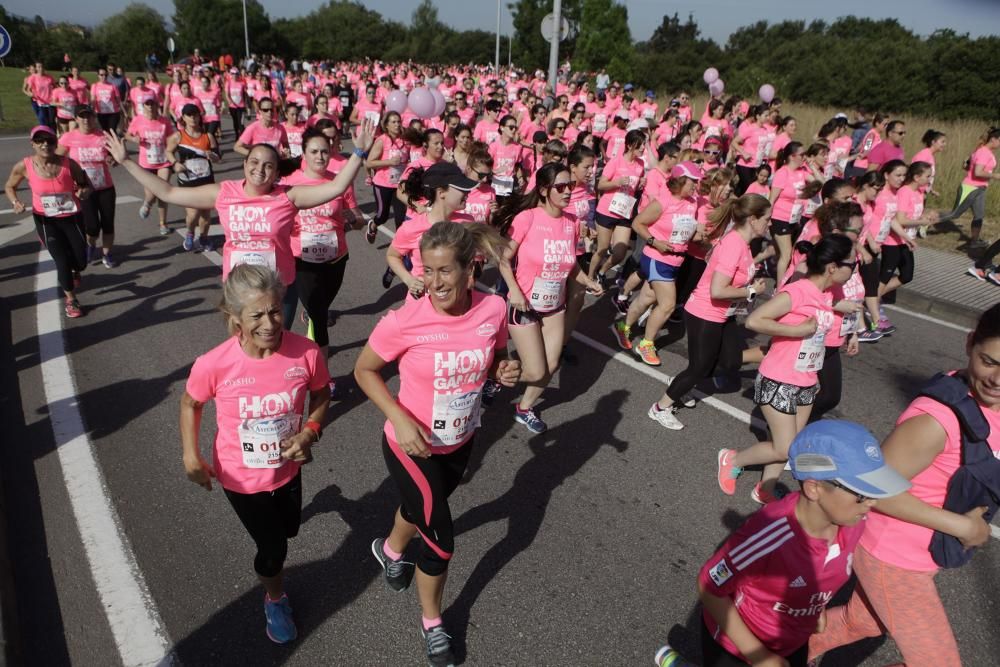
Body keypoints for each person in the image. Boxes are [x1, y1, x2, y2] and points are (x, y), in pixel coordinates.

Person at [354, 221, 520, 667]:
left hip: (461, 438)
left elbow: (495, 358)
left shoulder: (493, 309)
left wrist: (502, 372)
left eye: (445, 271)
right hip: (411, 444)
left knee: (418, 509)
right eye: (427, 270)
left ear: (471, 270)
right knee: (441, 539)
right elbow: (364, 370)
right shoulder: (405, 320)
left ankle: (389, 551)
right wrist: (398, 418)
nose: (434, 282)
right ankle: (433, 623)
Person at [809, 304, 1000, 665]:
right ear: (970, 343)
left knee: (857, 622)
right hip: (891, 556)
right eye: (988, 361)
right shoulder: (936, 420)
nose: (997, 379)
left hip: (919, 554)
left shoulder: (992, 403)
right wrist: (961, 525)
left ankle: (757, 652)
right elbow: (870, 488)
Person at [655, 420, 909, 667]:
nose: (872, 503)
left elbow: (822, 572)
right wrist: (758, 656)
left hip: (793, 642)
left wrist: (816, 608)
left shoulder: (855, 523)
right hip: (738, 648)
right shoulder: (770, 535)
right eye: (862, 495)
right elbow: (709, 585)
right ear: (814, 488)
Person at [180, 264, 330, 645]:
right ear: (235, 319)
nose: (270, 323)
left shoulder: (306, 353)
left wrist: (310, 432)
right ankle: (275, 599)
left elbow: (321, 393)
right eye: (257, 315)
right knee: (273, 548)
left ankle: (276, 563)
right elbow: (190, 403)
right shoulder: (214, 364)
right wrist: (191, 456)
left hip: (288, 468)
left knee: (290, 530)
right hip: (241, 476)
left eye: (275, 310)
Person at [104, 119, 376, 320]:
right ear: (245, 165)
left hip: (279, 287)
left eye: (269, 165)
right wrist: (127, 161)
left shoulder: (287, 196)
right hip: (239, 290)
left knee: (277, 345)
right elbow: (168, 191)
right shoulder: (224, 193)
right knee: (246, 347)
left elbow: (336, 188)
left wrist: (359, 152)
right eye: (254, 163)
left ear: (276, 172)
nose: (260, 169)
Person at [717, 235, 856, 503]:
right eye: (852, 264)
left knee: (785, 442)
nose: (854, 269)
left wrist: (851, 332)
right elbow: (755, 321)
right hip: (779, 378)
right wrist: (796, 330)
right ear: (832, 267)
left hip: (806, 378)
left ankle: (765, 490)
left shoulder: (829, 294)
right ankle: (733, 458)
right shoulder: (798, 291)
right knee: (786, 448)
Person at [647, 194, 770, 431]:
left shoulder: (742, 244)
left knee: (731, 361)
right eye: (767, 218)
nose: (770, 223)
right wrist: (750, 290)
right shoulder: (734, 245)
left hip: (724, 314)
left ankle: (680, 383)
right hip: (705, 312)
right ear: (753, 219)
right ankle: (660, 407)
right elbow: (717, 290)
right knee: (699, 368)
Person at [496, 163, 603, 434]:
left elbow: (572, 266)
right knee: (534, 371)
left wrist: (588, 281)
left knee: (551, 365)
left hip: (555, 306)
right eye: (561, 187)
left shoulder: (572, 223)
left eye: (571, 186)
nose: (568, 192)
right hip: (525, 305)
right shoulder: (528, 218)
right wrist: (515, 292)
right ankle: (492, 375)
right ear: (544, 190)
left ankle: (524, 408)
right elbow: (503, 259)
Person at [612, 161, 703, 367]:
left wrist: (700, 235)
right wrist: (655, 242)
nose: (695, 186)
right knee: (668, 304)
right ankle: (647, 343)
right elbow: (637, 223)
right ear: (680, 181)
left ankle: (623, 326)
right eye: (692, 182)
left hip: (675, 260)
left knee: (645, 299)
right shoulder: (663, 201)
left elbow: (686, 229)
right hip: (656, 258)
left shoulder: (692, 202)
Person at [5, 126, 92, 318]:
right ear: (33, 143)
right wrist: (15, 202)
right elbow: (10, 186)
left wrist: (84, 192)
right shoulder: (24, 166)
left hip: (72, 217)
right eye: (40, 141)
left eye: (50, 141)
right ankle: (71, 300)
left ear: (56, 143)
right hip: (46, 221)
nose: (45, 145)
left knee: (81, 260)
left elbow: (86, 185)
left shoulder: (69, 164)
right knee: (61, 260)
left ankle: (76, 269)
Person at [387, 162, 477, 297]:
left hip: (456, 300)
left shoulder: (467, 222)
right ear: (441, 193)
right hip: (422, 300)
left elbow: (472, 258)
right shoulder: (411, 228)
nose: (468, 192)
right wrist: (409, 280)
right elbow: (392, 256)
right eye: (461, 189)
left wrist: (470, 277)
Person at [56, 105, 117, 267]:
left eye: (89, 116)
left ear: (93, 117)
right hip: (83, 189)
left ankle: (107, 254)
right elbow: (57, 160)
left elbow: (114, 156)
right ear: (76, 119)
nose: (86, 120)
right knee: (91, 226)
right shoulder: (68, 137)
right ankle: (91, 244)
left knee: (108, 223)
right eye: (82, 117)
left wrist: (112, 159)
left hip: (105, 187)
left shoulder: (103, 136)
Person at [588, 129, 647, 290]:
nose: (643, 148)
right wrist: (617, 182)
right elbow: (600, 185)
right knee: (602, 249)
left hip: (625, 211)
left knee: (620, 252)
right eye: (640, 145)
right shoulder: (615, 162)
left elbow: (635, 187)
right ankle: (590, 277)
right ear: (629, 145)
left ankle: (602, 271)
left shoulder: (641, 165)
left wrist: (641, 183)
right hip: (607, 210)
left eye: (644, 144)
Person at [166, 104, 220, 252]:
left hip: (206, 179)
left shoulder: (207, 136)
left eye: (195, 115)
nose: (193, 118)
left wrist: (213, 156)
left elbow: (218, 158)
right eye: (189, 115)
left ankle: (203, 237)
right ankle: (190, 233)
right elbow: (168, 152)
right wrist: (175, 163)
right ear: (183, 118)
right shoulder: (178, 136)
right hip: (187, 180)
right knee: (192, 213)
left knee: (206, 215)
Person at [944, 127, 1000, 253]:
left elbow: (966, 165)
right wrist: (995, 176)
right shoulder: (983, 152)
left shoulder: (982, 151)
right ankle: (925, 223)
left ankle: (974, 241)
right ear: (994, 139)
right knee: (955, 214)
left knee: (979, 215)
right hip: (970, 188)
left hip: (980, 188)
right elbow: (978, 172)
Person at [125, 98, 175, 235]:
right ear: (144, 108)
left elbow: (171, 138)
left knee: (163, 191)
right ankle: (147, 203)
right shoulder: (138, 120)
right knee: (152, 192)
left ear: (156, 107)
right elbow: (127, 134)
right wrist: (134, 139)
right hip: (146, 162)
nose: (151, 110)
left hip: (163, 161)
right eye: (148, 107)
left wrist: (173, 151)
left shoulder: (164, 121)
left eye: (153, 107)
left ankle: (163, 223)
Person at [365, 111, 409, 242]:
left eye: (398, 121)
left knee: (401, 218)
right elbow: (369, 163)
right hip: (382, 184)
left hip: (400, 185)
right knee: (382, 215)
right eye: (393, 122)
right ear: (387, 125)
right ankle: (373, 225)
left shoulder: (405, 141)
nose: (397, 125)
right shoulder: (382, 140)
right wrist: (389, 162)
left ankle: (400, 248)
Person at [90, 67, 123, 133]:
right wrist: (92, 111)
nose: (104, 77)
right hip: (101, 113)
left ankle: (115, 142)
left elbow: (118, 100)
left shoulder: (113, 86)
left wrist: (123, 111)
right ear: (98, 75)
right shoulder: (95, 86)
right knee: (105, 132)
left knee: (112, 131)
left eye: (105, 75)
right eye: (101, 75)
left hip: (113, 113)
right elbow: (93, 100)